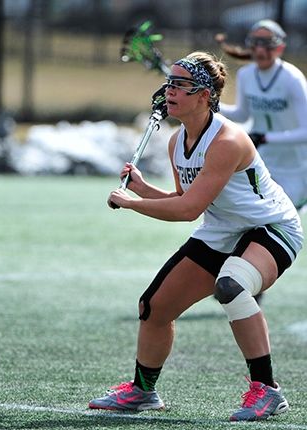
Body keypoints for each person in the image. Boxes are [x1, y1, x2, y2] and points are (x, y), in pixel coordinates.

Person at [88, 51, 303, 421]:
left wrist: (131, 203)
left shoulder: (228, 141)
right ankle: (143, 391)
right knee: (154, 307)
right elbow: (183, 197)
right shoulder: (177, 142)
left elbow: (188, 210)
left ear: (204, 95)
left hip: (272, 228)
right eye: (169, 83)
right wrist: (142, 189)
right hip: (223, 230)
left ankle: (267, 390)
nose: (169, 91)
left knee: (231, 286)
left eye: (180, 85)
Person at [218, 19, 307, 211]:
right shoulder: (246, 75)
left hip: (294, 168)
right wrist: (213, 105)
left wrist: (265, 138)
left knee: (284, 218)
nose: (260, 50)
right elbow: (242, 115)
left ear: (280, 47)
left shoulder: (292, 78)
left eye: (267, 44)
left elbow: (305, 132)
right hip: (262, 162)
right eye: (256, 43)